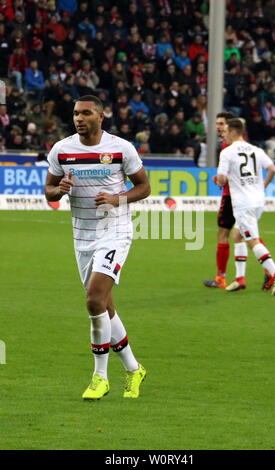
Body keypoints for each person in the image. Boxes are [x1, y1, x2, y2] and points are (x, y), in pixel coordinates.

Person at [44, 95, 150, 400]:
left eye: (86, 113)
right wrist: (59, 190)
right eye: (76, 113)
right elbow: (48, 192)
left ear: (100, 116)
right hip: (82, 236)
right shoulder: (62, 150)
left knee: (93, 300)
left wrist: (118, 198)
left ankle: (99, 377)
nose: (79, 118)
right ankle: (133, 369)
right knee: (103, 304)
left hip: (114, 231)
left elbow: (144, 186)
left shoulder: (120, 148)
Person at [216, 118, 275, 296]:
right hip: (258, 200)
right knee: (237, 235)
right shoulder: (257, 150)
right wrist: (263, 185)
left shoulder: (228, 152)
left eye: (226, 132)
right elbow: (273, 169)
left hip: (243, 203)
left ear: (233, 132)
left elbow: (222, 179)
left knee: (252, 239)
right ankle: (240, 279)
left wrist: (219, 181)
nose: (224, 136)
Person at [203, 111, 248, 289]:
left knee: (223, 233)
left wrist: (221, 179)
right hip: (245, 196)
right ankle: (270, 271)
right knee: (249, 233)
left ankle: (221, 277)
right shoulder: (243, 146)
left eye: (222, 124)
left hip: (231, 196)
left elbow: (230, 175)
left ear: (231, 127)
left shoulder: (227, 147)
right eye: (217, 124)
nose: (218, 127)